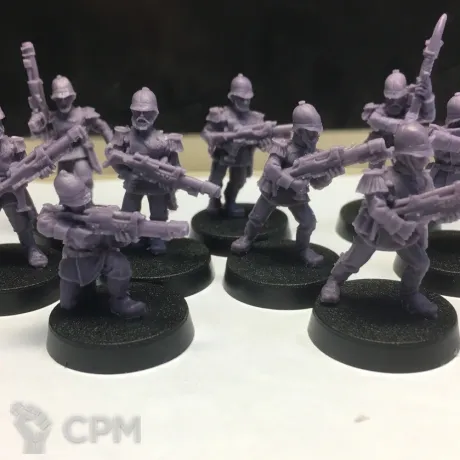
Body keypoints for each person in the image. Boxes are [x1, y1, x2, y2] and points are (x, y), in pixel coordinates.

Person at [320, 121, 437, 318]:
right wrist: (401, 225)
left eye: (425, 155)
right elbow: (376, 208)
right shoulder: (380, 177)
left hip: (405, 237)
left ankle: (410, 293)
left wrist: (424, 223)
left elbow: (429, 205)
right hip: (375, 233)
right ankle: (334, 281)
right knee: (352, 260)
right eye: (419, 157)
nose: (425, 160)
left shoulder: (424, 180)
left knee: (421, 263)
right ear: (404, 156)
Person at [37, 171, 146, 318]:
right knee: (68, 306)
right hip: (75, 260)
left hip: (102, 255)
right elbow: (43, 224)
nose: (83, 204)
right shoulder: (57, 213)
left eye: (84, 200)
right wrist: (71, 232)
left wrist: (124, 238)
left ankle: (120, 300)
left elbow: (115, 241)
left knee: (120, 265)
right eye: (77, 203)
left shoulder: (107, 213)